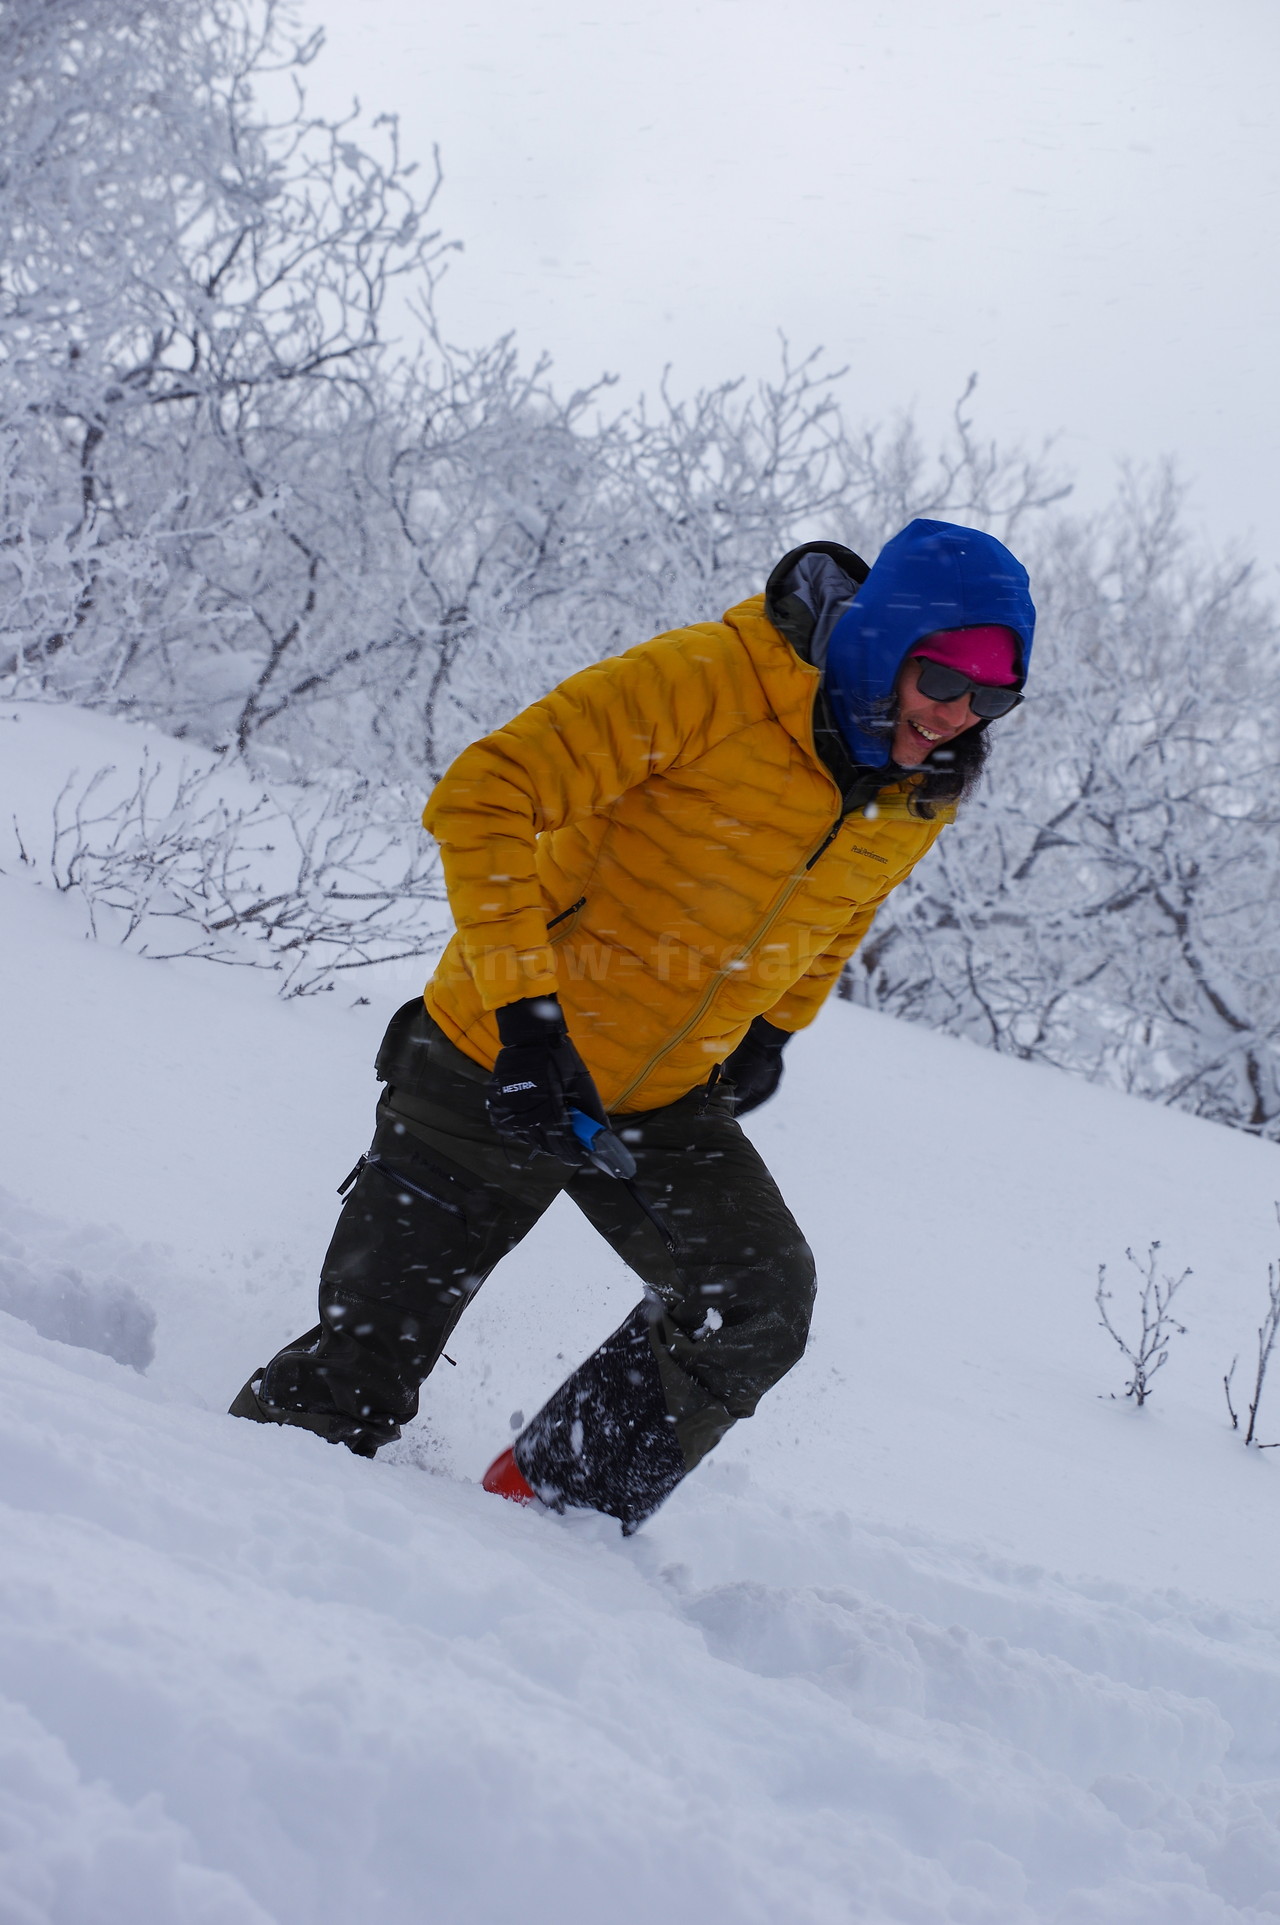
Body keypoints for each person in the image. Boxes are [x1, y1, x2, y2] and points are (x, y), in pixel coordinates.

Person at [230, 518, 1035, 1531]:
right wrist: (526, 1023)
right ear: (883, 641)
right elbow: (485, 791)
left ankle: (544, 1521)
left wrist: (773, 1026)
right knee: (349, 1384)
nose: (956, 716)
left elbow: (844, 910)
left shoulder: (914, 788)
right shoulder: (711, 681)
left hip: (656, 1099)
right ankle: (215, 1556)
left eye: (989, 698)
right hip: (495, 1063)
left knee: (753, 1301)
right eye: (940, 679)